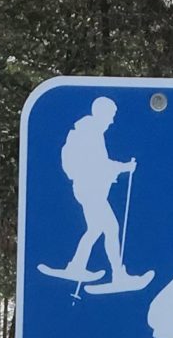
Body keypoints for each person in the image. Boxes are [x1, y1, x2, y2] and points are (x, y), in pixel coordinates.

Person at [49, 98, 145, 289]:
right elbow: (99, 164)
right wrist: (124, 167)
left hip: (89, 190)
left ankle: (76, 266)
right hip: (89, 190)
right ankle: (117, 275)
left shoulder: (90, 131)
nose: (112, 121)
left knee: (95, 230)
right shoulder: (90, 133)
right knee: (111, 228)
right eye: (111, 116)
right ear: (102, 114)